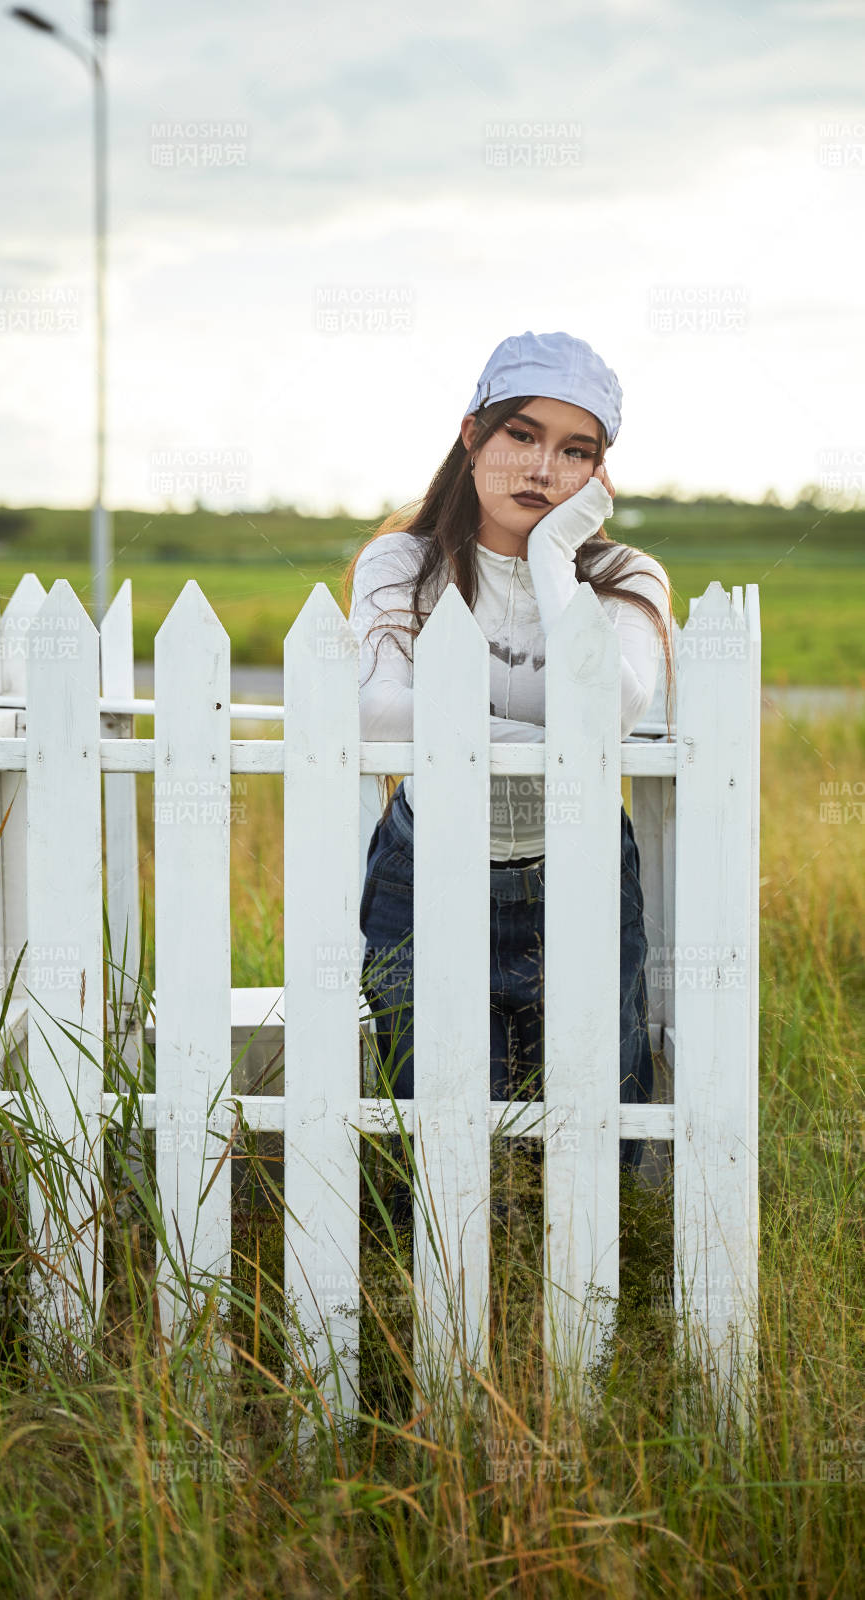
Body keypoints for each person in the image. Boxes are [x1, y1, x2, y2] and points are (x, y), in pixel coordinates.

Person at [342, 330, 675, 1202]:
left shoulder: (625, 577)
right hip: (425, 874)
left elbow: (609, 712)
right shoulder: (403, 562)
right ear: (471, 435)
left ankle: (601, 1290)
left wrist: (553, 558)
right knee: (445, 1126)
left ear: (599, 477)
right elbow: (376, 709)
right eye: (521, 435)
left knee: (596, 1121)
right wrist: (546, 742)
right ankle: (451, 1295)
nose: (540, 468)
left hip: (581, 873)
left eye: (576, 452)